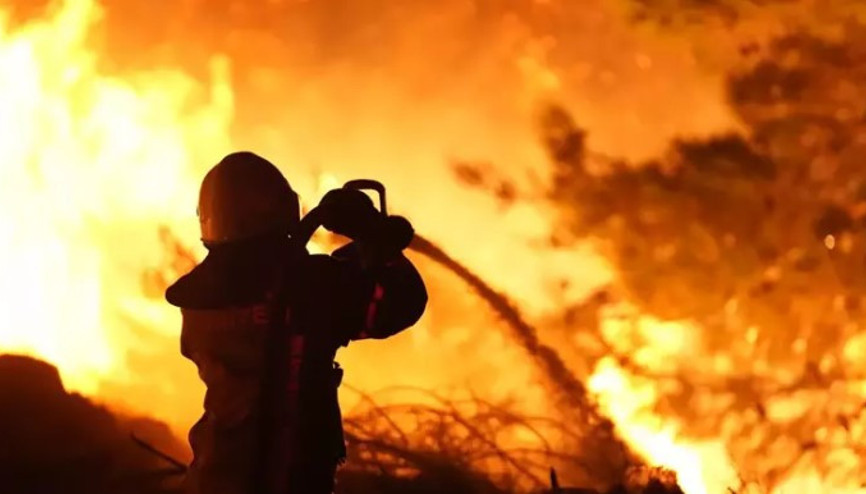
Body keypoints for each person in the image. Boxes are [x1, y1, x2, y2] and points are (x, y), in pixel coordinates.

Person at [165, 152, 428, 494]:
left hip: (212, 478)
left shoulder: (200, 302)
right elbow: (402, 301)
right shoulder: (309, 287)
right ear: (283, 211)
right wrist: (369, 234)